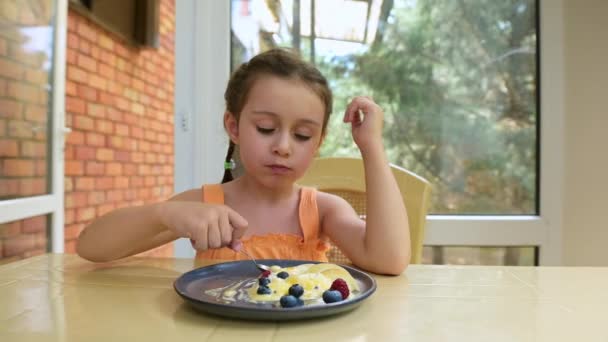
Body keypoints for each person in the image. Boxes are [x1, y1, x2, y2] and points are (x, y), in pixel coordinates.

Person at [77, 48, 410, 275]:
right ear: (233, 127)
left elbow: (390, 259)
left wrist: (372, 147)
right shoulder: (206, 205)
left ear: (319, 143)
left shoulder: (323, 210)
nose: (282, 146)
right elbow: (92, 247)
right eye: (266, 128)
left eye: (303, 135)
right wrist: (165, 213)